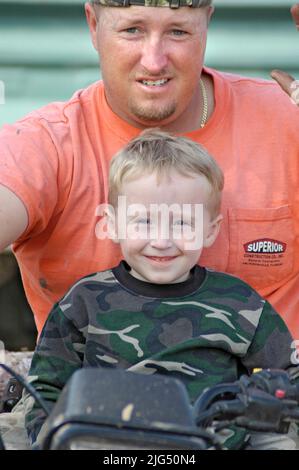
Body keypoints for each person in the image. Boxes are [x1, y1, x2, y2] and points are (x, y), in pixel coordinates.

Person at [0, 1, 299, 339]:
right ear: (93, 25)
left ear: (207, 24)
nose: (154, 61)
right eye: (132, 30)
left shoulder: (287, 120)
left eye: (178, 31)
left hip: (274, 386)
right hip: (98, 388)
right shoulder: (47, 144)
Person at [23, 130, 299, 450]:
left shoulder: (241, 303)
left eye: (182, 223)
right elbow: (45, 388)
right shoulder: (83, 301)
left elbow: (287, 378)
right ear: (113, 224)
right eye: (143, 222)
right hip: (109, 442)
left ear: (210, 230)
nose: (162, 240)